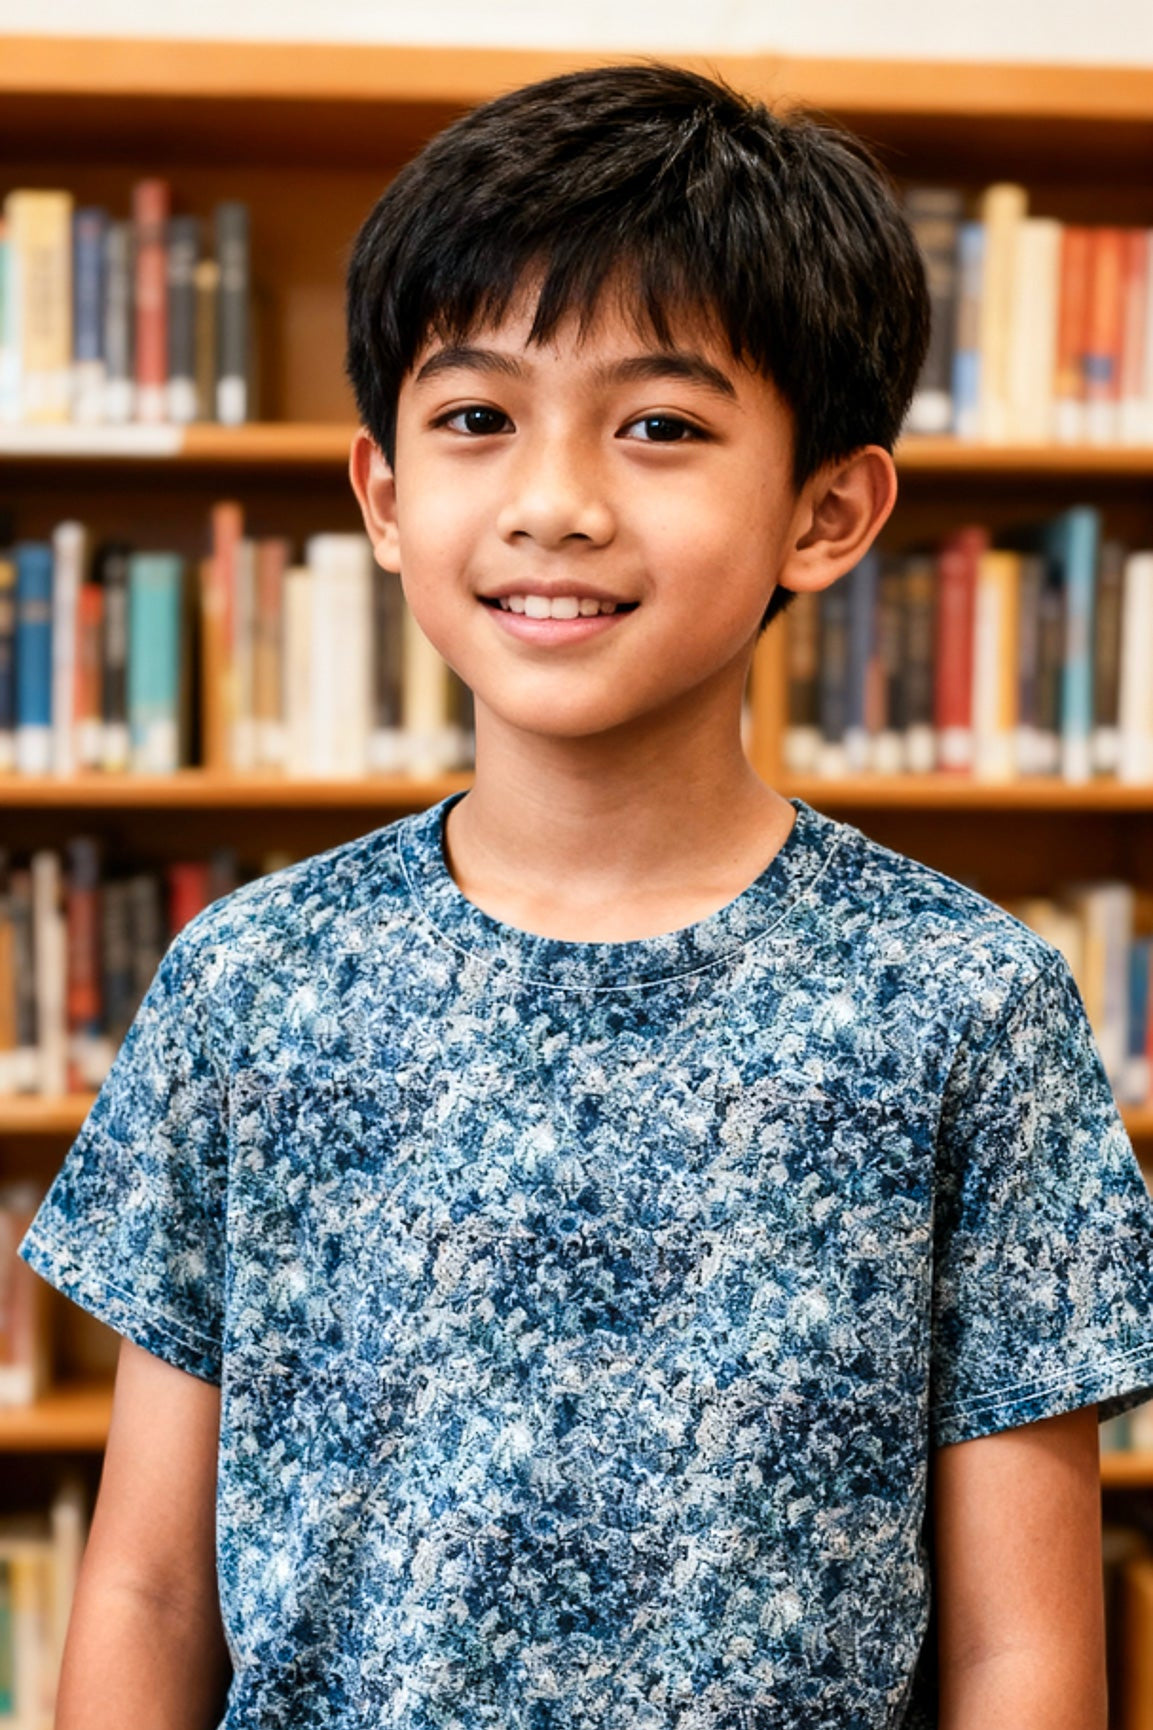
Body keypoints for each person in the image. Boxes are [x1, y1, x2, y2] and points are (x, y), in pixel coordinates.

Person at [19, 60, 1153, 1730]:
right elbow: (147, 1586)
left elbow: (1021, 1649)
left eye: (662, 426)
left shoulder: (965, 1004)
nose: (555, 501)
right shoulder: (250, 980)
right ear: (386, 498)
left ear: (827, 510)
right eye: (476, 417)